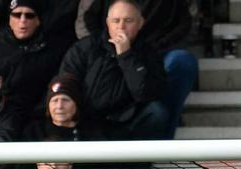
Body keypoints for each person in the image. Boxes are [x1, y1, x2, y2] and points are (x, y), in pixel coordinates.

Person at [58, 0, 168, 140]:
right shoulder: (84, 48)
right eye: (116, 21)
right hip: (88, 118)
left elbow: (146, 94)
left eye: (128, 20)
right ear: (108, 23)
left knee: (157, 112)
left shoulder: (150, 53)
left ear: (140, 23)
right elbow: (66, 83)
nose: (121, 26)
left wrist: (126, 56)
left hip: (127, 120)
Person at [0, 0, 66, 120]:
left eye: (29, 15)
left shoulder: (53, 50)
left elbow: (55, 88)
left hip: (38, 117)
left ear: (38, 20)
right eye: (17, 15)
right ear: (9, 20)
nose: (23, 20)